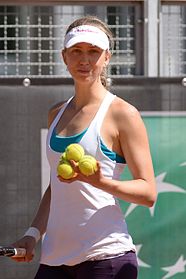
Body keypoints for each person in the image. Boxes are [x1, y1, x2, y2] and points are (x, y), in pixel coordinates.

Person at [11, 15, 157, 279]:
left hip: (106, 259)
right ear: (64, 56)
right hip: (54, 260)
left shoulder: (124, 114)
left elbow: (148, 192)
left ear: (107, 58)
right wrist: (33, 234)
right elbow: (56, 186)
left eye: (93, 51)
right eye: (76, 51)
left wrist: (102, 182)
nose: (84, 59)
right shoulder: (55, 113)